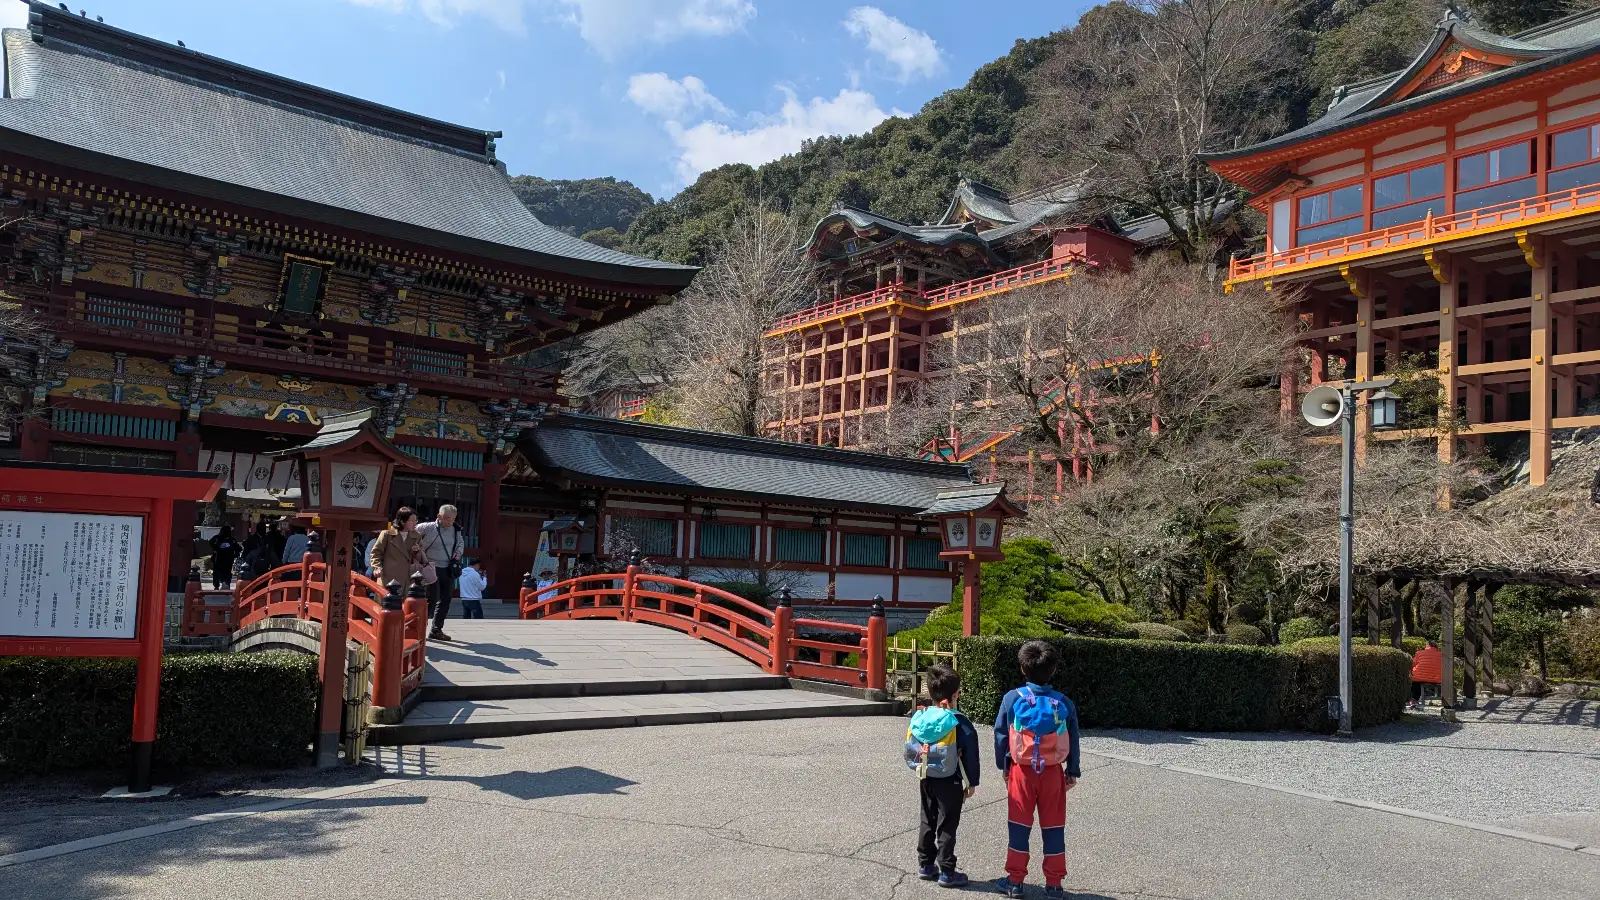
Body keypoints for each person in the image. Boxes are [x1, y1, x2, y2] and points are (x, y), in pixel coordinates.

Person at [992, 640, 1080, 899]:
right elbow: (1073, 737)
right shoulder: (1063, 702)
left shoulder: (1012, 699)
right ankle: (1054, 884)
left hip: (1021, 770)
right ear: (1052, 670)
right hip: (1052, 772)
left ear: (1022, 668)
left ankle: (1015, 880)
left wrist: (1004, 765)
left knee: (1019, 825)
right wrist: (1072, 770)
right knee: (1053, 827)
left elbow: (1000, 735)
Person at [905, 664, 978, 888]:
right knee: (947, 823)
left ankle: (926, 864)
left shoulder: (923, 716)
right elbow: (971, 755)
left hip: (926, 775)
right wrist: (972, 782)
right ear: (955, 694)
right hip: (950, 779)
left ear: (930, 692)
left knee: (928, 817)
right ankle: (947, 870)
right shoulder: (958, 721)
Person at [416, 504, 466, 641]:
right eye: (448, 518)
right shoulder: (426, 527)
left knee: (446, 599)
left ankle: (436, 629)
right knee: (431, 599)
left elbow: (460, 543)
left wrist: (458, 553)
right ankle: (418, 628)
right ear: (439, 516)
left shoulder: (456, 530)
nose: (450, 522)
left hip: (447, 568)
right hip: (430, 567)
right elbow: (411, 539)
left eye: (453, 519)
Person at [369, 507, 421, 591]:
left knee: (403, 603)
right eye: (412, 520)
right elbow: (376, 552)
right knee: (386, 601)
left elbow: (420, 558)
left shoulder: (417, 536)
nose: (415, 523)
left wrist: (417, 551)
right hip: (388, 576)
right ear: (402, 521)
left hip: (407, 577)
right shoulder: (387, 534)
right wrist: (377, 567)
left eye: (416, 520)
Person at [1410, 639, 1442, 708]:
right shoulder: (1441, 654)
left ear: (1427, 645)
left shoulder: (1419, 653)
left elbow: (1412, 664)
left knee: (1415, 681)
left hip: (1419, 677)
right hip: (1437, 678)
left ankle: (1413, 699)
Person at [208, 525, 239, 589]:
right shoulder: (232, 540)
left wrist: (215, 549)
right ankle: (226, 582)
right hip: (228, 559)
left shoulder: (217, 538)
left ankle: (216, 585)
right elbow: (238, 548)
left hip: (218, 558)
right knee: (227, 571)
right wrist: (235, 554)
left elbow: (210, 543)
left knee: (216, 572)